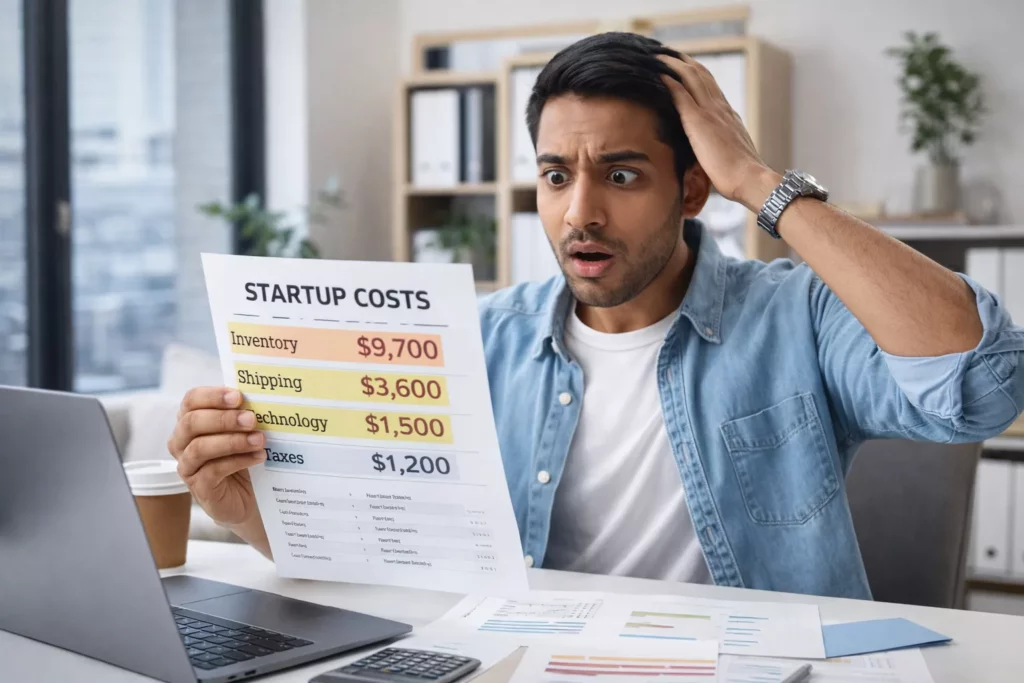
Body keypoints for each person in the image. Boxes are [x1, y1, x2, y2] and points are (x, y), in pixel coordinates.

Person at [168, 33, 1024, 599]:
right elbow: (389, 567)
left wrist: (761, 184)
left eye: (619, 175)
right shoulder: (475, 341)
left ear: (692, 187)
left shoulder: (794, 318)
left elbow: (982, 382)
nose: (579, 213)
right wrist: (246, 510)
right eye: (553, 177)